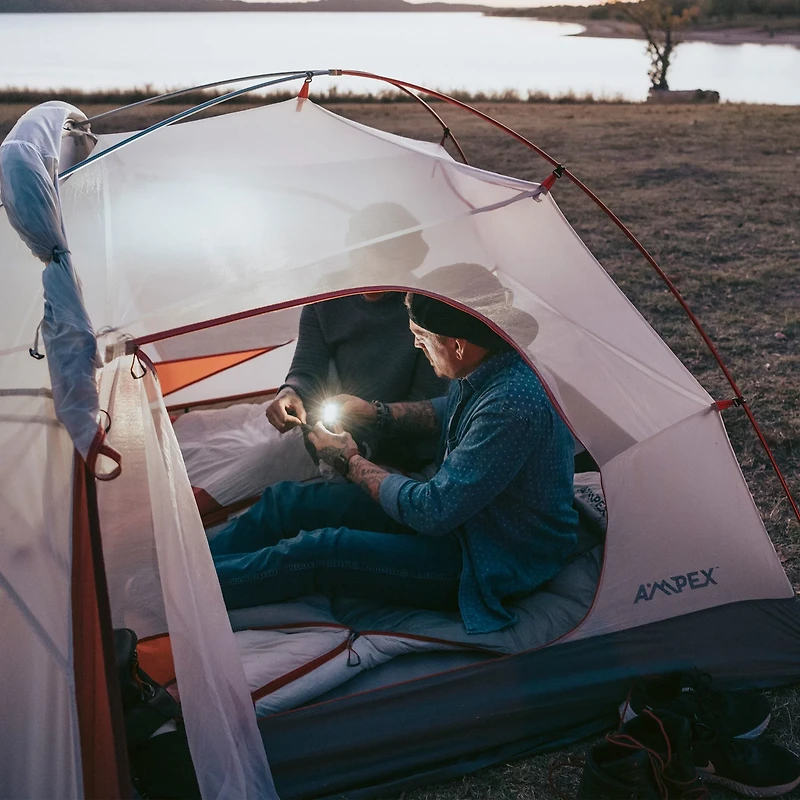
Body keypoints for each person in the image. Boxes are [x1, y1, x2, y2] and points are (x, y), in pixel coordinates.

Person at [210, 293, 579, 635]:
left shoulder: (510, 405)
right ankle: (194, 567)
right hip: (461, 518)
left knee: (322, 549)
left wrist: (349, 460)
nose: (416, 344)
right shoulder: (487, 366)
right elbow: (444, 411)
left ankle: (197, 596)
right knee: (289, 501)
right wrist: (376, 413)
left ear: (457, 344)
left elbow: (434, 511)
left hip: (485, 555)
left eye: (422, 336)